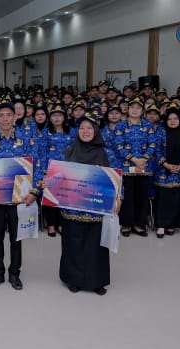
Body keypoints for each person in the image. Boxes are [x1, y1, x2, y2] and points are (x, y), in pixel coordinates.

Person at [0, 101, 40, 290]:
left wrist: (35, 192)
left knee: (16, 237)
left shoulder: (26, 139)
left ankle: (14, 273)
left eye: (8, 115)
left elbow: (36, 167)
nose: (5, 119)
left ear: (15, 117)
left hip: (19, 199)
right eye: (1, 115)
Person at [60, 115, 115, 295]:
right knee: (73, 242)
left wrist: (118, 199)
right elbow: (58, 176)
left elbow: (117, 179)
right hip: (72, 207)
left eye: (89, 128)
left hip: (97, 208)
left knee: (96, 245)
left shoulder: (107, 153)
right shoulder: (68, 151)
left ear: (96, 131)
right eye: (82, 128)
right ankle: (74, 279)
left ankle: (96, 281)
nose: (85, 131)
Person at [114, 97, 158, 237]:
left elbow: (152, 144)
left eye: (138, 108)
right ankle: (126, 224)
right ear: (127, 109)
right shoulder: (121, 125)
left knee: (141, 196)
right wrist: (134, 159)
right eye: (132, 107)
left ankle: (139, 224)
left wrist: (143, 160)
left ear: (142, 110)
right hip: (126, 167)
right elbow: (119, 146)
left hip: (144, 167)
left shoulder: (148, 125)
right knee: (127, 197)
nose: (134, 110)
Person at [154, 107, 180, 238]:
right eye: (169, 119)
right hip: (164, 172)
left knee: (177, 199)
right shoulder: (161, 132)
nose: (172, 121)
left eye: (175, 118)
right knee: (163, 199)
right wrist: (166, 164)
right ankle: (161, 225)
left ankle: (172, 225)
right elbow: (157, 151)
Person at [40, 104, 75, 237]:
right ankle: (51, 225)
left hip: (67, 170)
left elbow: (75, 151)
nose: (56, 118)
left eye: (59, 115)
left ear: (64, 117)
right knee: (50, 198)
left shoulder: (72, 132)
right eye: (54, 115)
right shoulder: (45, 132)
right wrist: (44, 171)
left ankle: (61, 223)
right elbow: (42, 152)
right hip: (50, 170)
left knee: (64, 198)